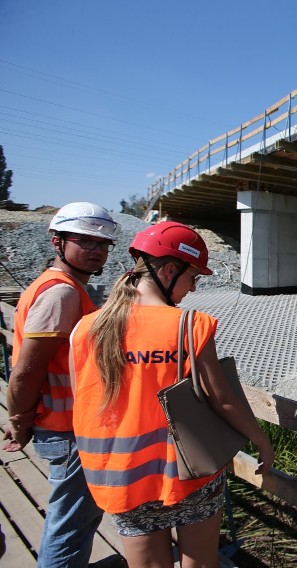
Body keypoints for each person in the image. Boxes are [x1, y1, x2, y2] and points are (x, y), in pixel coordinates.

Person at [69, 221, 274, 568]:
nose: (192, 289)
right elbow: (221, 399)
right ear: (167, 270)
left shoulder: (87, 326)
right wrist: (261, 441)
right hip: (186, 471)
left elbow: (83, 396)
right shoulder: (189, 324)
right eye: (192, 278)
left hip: (120, 475)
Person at [4, 201, 119, 568]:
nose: (96, 250)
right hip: (67, 430)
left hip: (67, 426)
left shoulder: (62, 287)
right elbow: (25, 370)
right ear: (57, 242)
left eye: (102, 244)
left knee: (76, 522)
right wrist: (19, 420)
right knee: (70, 529)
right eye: (85, 242)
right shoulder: (62, 294)